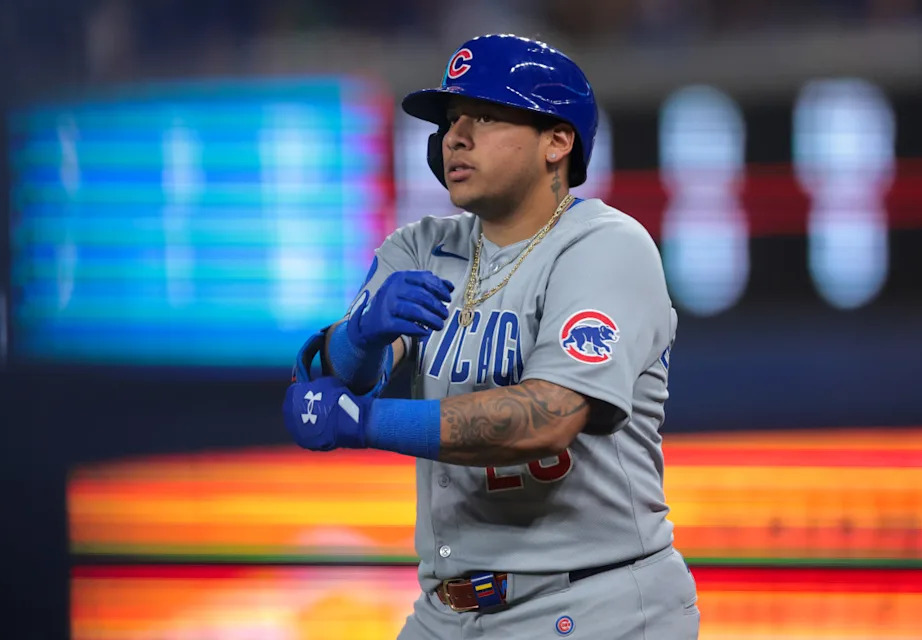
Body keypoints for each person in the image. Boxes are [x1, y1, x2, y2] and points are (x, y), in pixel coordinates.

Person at [283, 33, 699, 639]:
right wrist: (360, 335)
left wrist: (367, 423)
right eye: (452, 119)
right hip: (445, 612)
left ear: (558, 140)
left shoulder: (607, 246)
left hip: (593, 603)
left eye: (485, 114)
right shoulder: (421, 247)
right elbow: (319, 395)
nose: (456, 135)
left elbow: (545, 418)